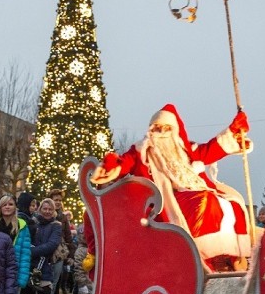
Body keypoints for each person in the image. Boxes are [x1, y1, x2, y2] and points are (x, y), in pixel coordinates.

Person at [91, 103, 252, 272]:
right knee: (205, 201)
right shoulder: (141, 151)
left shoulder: (186, 150)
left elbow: (211, 150)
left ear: (174, 130)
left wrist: (234, 130)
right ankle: (205, 257)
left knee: (233, 203)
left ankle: (230, 256)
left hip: (198, 190)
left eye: (167, 128)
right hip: (168, 201)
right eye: (157, 128)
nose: (161, 132)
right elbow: (123, 163)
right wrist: (110, 165)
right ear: (150, 130)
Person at [17, 198, 61, 294]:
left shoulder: (56, 226)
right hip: (28, 268)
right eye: (45, 208)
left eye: (50, 209)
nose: (47, 211)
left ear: (53, 210)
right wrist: (33, 249)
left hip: (45, 269)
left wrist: (32, 250)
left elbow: (52, 245)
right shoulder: (32, 222)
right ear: (40, 209)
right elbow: (24, 241)